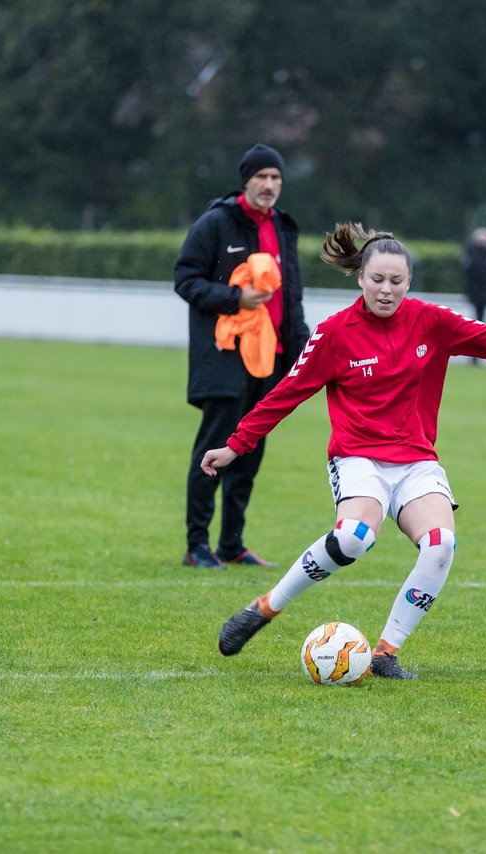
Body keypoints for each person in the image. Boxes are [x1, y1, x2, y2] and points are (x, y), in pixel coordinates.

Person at [202, 223, 486, 679]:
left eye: (396, 281)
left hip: (415, 461)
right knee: (355, 537)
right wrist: (236, 445)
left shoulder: (432, 322)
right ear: (360, 278)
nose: (386, 290)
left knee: (441, 544)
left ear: (409, 282)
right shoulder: (335, 333)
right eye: (377, 280)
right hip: (357, 458)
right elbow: (287, 392)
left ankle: (385, 653)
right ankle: (265, 608)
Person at [174, 144, 310, 568]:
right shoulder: (216, 222)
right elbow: (185, 278)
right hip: (227, 354)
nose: (269, 185)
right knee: (214, 447)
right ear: (245, 181)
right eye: (262, 177)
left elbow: (292, 296)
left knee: (249, 451)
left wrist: (303, 349)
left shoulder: (285, 227)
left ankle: (231, 545)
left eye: (276, 178)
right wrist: (236, 297)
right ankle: (197, 545)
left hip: (272, 357)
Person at [461, 227, 486, 323]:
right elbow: (478, 271)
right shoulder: (475, 254)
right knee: (479, 314)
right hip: (477, 289)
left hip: (482, 289)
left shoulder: (483, 253)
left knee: (480, 314)